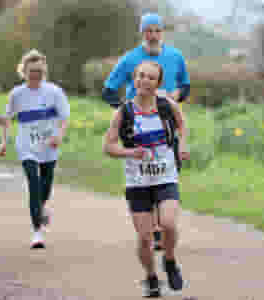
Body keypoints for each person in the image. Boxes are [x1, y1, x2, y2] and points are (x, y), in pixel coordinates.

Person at [102, 12, 190, 251]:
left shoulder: (175, 56)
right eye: (148, 30)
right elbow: (109, 90)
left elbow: (186, 86)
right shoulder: (130, 59)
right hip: (137, 123)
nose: (152, 35)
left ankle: (162, 224)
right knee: (145, 171)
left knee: (166, 170)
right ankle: (154, 228)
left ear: (162, 33)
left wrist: (175, 97)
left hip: (166, 119)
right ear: (142, 33)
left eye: (157, 30)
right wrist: (124, 112)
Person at [103, 61, 190, 297]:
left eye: (151, 78)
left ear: (158, 83)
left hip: (165, 176)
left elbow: (182, 126)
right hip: (137, 182)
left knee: (169, 223)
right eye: (141, 76)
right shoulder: (124, 112)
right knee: (144, 238)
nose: (145, 81)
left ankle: (170, 261)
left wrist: (182, 145)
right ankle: (151, 277)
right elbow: (108, 146)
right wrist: (130, 152)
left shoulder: (167, 105)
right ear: (134, 79)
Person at [0, 49, 70, 249]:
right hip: (26, 145)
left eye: (39, 71)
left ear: (44, 71)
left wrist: (59, 136)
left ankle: (41, 208)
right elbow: (6, 120)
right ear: (24, 71)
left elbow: (64, 118)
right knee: (34, 183)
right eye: (32, 71)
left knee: (45, 188)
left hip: (49, 146)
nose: (36, 75)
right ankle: (37, 232)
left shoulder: (54, 91)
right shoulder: (17, 94)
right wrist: (3, 142)